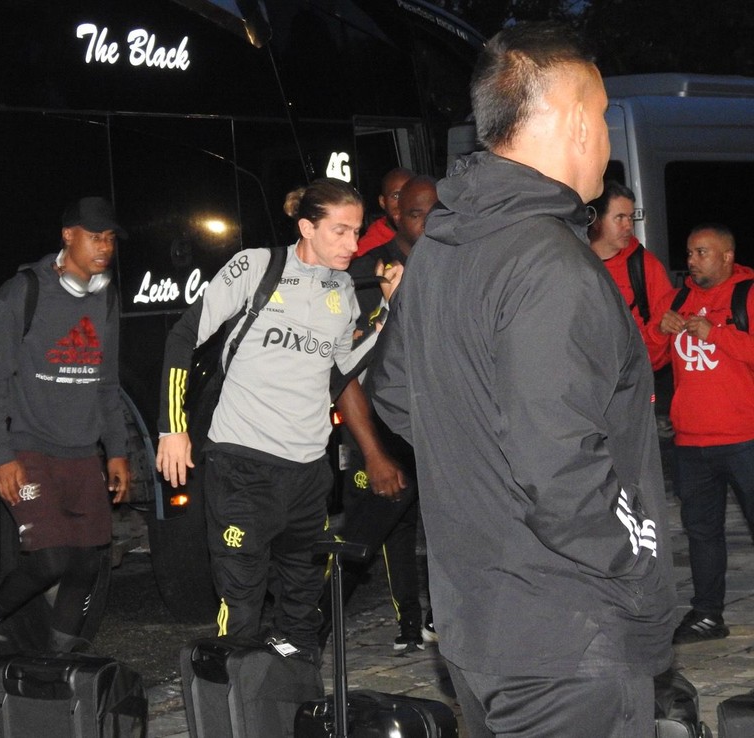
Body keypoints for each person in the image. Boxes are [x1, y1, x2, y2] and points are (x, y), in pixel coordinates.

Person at [368, 22, 675, 737]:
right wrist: (635, 566)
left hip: (480, 626)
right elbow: (560, 467)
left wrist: (481, 481)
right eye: (599, 116)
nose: (603, 135)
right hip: (569, 637)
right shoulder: (552, 266)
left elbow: (395, 387)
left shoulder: (443, 243)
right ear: (571, 119)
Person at [156, 178, 376, 663]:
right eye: (340, 231)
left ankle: (298, 704)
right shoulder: (258, 265)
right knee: (242, 608)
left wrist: (386, 319)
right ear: (306, 227)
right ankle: (237, 707)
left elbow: (339, 373)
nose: (353, 245)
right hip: (242, 466)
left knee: (302, 611)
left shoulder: (343, 291)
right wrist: (172, 428)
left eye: (356, 232)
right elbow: (183, 336)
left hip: (306, 475)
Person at [0, 196, 132, 677]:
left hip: (82, 451)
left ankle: (58, 663)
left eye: (111, 238)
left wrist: (116, 451)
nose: (105, 247)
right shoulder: (23, 291)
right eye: (95, 237)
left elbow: (107, 381)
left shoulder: (108, 297)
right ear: (68, 235)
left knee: (85, 564)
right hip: (30, 447)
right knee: (50, 559)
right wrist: (1, 455)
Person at [322, 175, 439, 653]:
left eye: (436, 212)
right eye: (415, 213)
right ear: (395, 215)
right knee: (360, 542)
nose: (428, 222)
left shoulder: (454, 266)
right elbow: (343, 366)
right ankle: (306, 635)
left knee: (443, 538)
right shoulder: (372, 273)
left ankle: (424, 626)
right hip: (386, 428)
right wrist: (372, 449)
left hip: (440, 429)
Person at [643, 223, 754, 644]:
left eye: (702, 252)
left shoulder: (746, 294)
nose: (691, 261)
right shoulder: (680, 298)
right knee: (702, 532)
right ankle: (707, 614)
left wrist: (718, 335)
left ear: (727, 256)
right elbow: (650, 358)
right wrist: (660, 330)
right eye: (689, 253)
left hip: (745, 436)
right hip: (692, 441)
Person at [588, 179, 673, 335]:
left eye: (630, 217)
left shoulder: (645, 266)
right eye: (619, 218)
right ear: (597, 221)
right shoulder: (576, 261)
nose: (628, 226)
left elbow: (664, 328)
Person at [355, 167, 414, 257]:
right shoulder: (367, 250)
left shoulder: (428, 235)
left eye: (410, 195)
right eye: (396, 196)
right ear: (383, 202)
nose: (404, 203)